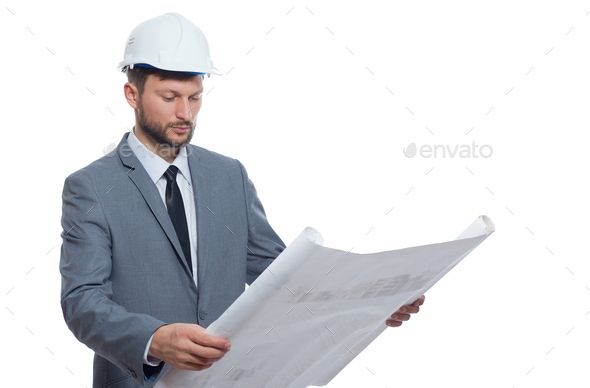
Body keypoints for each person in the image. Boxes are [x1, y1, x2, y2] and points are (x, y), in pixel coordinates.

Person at [59, 12, 425, 388]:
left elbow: (282, 277)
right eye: (170, 97)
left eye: (195, 97)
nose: (185, 113)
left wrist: (367, 304)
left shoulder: (228, 176)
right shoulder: (90, 187)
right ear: (132, 94)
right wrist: (154, 339)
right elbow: (82, 302)